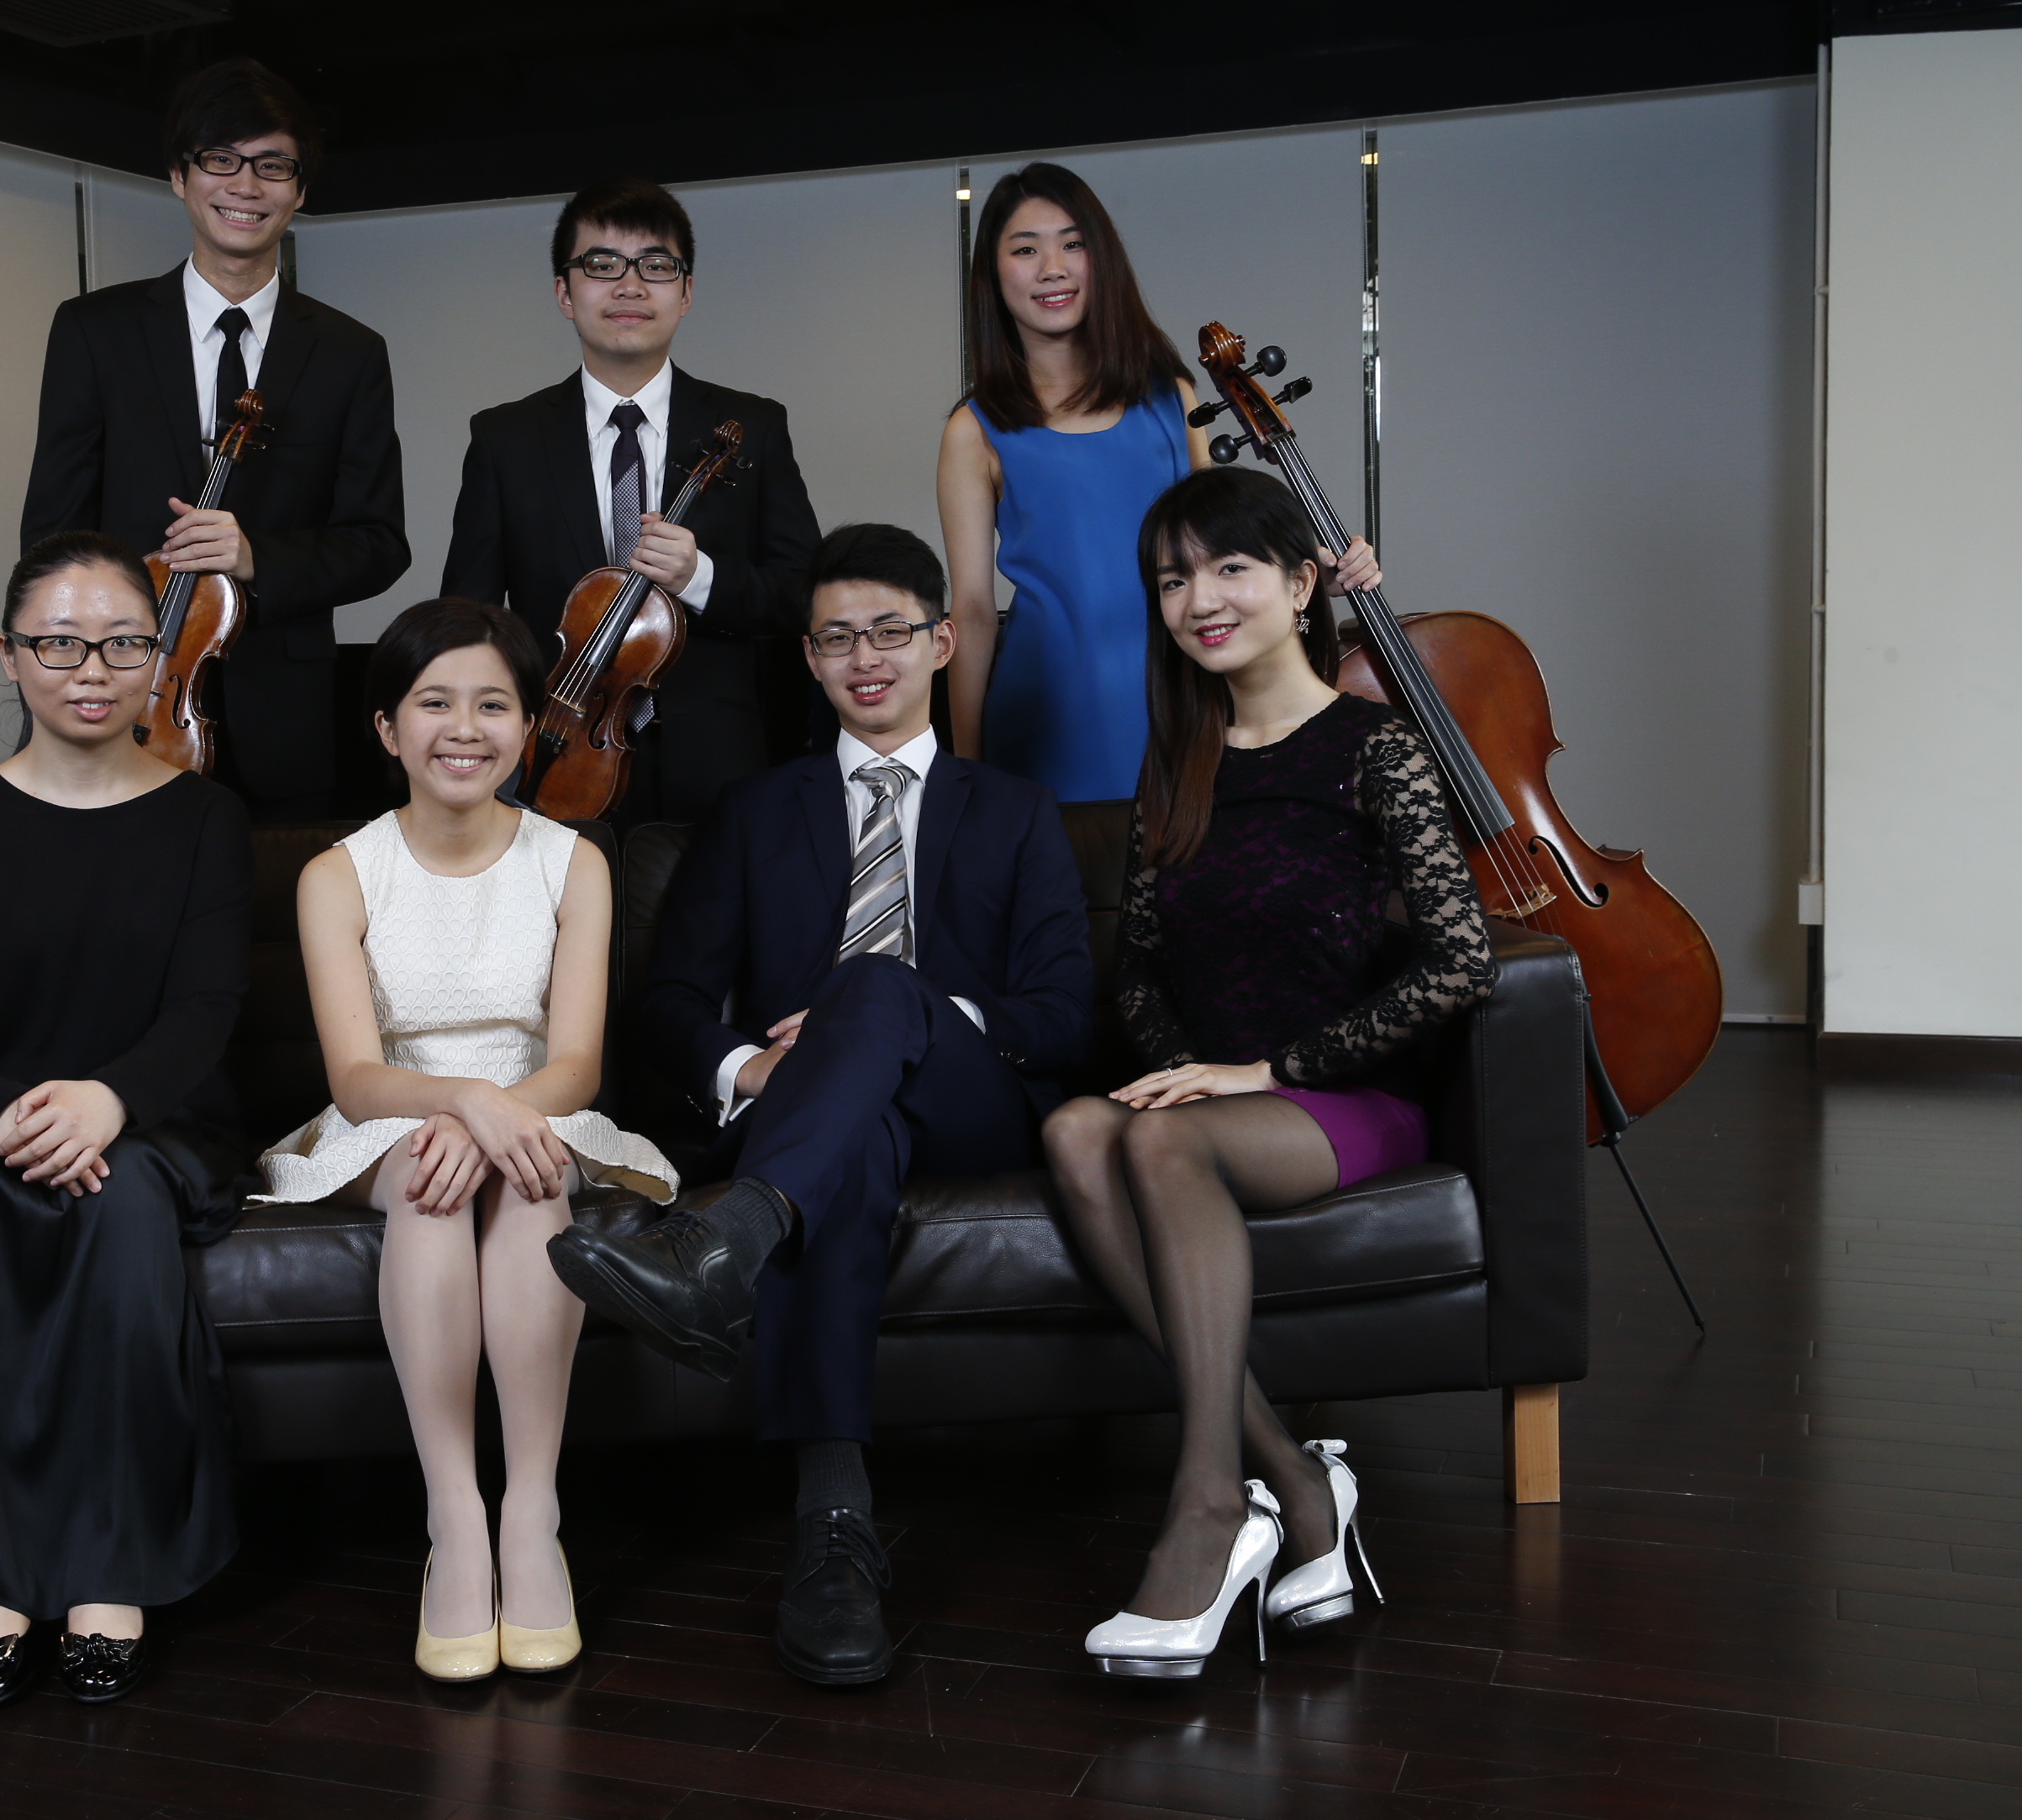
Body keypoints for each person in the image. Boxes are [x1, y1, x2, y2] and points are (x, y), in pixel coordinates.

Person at [545, 524, 1095, 1687]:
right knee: (848, 1146)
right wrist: (754, 1069)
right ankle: (833, 1528)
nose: (865, 658)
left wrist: (893, 1016)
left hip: (975, 1103)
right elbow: (670, 1003)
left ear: (942, 642)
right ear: (807, 657)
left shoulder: (1016, 810)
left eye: (890, 631)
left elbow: (1059, 1019)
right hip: (805, 1120)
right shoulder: (754, 812)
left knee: (876, 991)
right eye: (838, 637)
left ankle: (727, 1237)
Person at [1040, 466, 1493, 1680]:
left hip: (1347, 1100)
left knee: (1158, 1137)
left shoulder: (1377, 749)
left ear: (1301, 585)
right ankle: (1294, 1478)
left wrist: (1266, 1070)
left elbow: (1461, 962)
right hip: (1222, 1100)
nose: (1200, 600)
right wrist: (1188, 1069)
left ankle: (1206, 1505)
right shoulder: (1176, 761)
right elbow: (1138, 971)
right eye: (1172, 579)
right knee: (1079, 1131)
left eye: (1230, 568)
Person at [0, 530, 256, 1712]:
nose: (92, 669)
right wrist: (23, 1118)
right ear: (9, 655)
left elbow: (205, 1013)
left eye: (123, 643)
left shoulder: (205, 820)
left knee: (121, 1204)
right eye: (60, 644)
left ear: (159, 656)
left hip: (155, 1120)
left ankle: (109, 1574)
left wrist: (106, 1103)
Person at [259, 597, 679, 1682]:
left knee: (531, 1182)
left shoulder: (572, 861)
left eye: (493, 705)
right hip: (391, 1120)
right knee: (430, 1174)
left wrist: (501, 1112)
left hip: (540, 1105)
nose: (463, 728)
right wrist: (461, 1105)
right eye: (432, 702)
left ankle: (531, 1515)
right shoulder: (337, 874)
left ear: (530, 726)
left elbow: (576, 1061)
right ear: (386, 727)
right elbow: (356, 1079)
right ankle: (453, 1516)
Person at [19, 58, 406, 819]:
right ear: (179, 176)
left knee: (274, 896)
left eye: (273, 166)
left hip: (283, 717)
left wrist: (257, 557)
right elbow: (50, 536)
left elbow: (378, 544)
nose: (246, 186)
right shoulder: (95, 331)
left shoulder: (350, 353)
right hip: (123, 700)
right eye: (221, 160)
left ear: (300, 189)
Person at [937, 163, 1378, 800]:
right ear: (993, 272)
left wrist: (1312, 575)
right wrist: (965, 773)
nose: (1053, 268)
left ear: (1102, 259)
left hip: (1182, 704)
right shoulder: (975, 428)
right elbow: (975, 613)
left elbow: (1218, 553)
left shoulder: (1173, 399)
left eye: (1073, 243)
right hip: (1046, 720)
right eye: (1026, 249)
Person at [443, 178, 821, 824]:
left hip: (716, 763)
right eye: (602, 265)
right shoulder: (505, 438)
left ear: (686, 292)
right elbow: (467, 619)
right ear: (565, 293)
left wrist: (699, 578)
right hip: (556, 754)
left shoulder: (752, 426)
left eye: (656, 266)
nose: (630, 286)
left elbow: (804, 597)